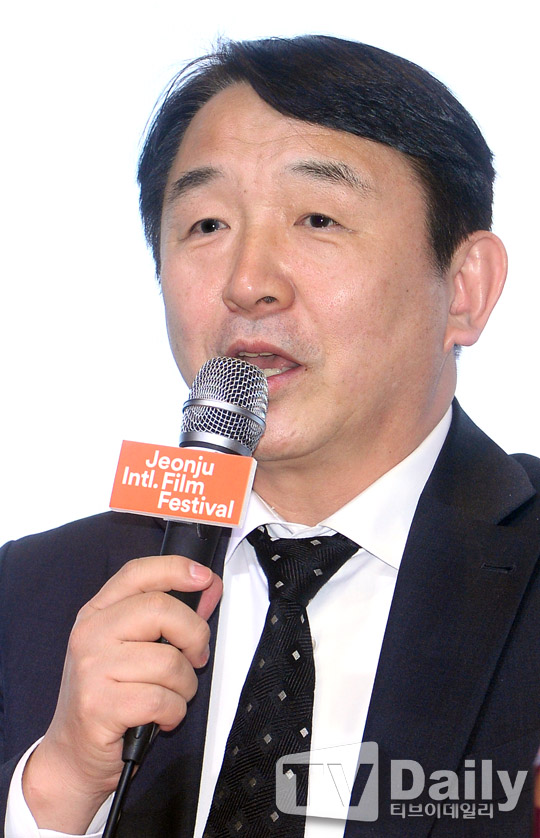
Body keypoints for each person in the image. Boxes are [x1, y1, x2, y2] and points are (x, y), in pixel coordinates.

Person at [2, 34, 540, 838]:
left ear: (464, 289)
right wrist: (57, 794)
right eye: (206, 224)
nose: (248, 283)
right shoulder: (30, 596)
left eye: (317, 218)